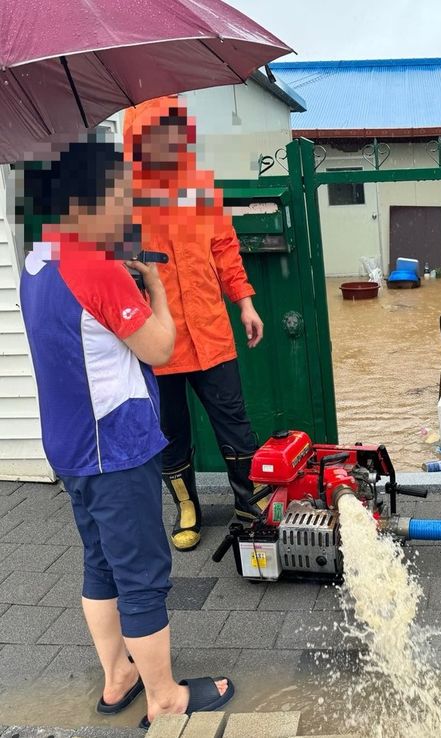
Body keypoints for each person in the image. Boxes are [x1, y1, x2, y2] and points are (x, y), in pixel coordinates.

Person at [18, 134, 234, 727]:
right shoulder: (97, 269)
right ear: (88, 200)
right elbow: (161, 348)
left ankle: (119, 677)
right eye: (119, 196)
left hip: (67, 444)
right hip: (114, 443)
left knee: (100, 562)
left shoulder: (37, 259)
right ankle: (165, 697)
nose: (128, 209)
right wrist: (155, 290)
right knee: (142, 572)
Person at [124, 96, 264, 552]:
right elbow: (109, 268)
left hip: (210, 333)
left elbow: (224, 248)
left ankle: (249, 505)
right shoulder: (121, 198)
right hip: (156, 339)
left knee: (235, 424)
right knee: (170, 432)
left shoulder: (200, 187)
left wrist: (244, 302)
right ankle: (188, 509)